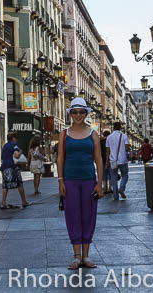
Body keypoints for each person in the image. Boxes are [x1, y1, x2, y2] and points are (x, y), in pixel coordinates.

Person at [57, 97, 105, 270]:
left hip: (89, 181)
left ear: (86, 114)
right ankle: (76, 256)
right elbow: (60, 158)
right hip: (70, 181)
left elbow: (99, 159)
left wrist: (100, 183)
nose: (78, 115)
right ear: (71, 114)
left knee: (89, 216)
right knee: (72, 216)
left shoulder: (93, 134)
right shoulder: (64, 134)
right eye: (75, 112)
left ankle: (86, 255)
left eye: (81, 112)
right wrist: (60, 180)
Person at [0, 133, 30, 209]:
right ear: (13, 138)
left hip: (4, 167)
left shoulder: (5, 146)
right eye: (16, 138)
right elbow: (16, 155)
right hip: (13, 167)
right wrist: (21, 152)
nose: (16, 139)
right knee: (19, 184)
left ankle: (3, 203)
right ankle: (24, 201)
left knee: (5, 185)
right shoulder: (14, 145)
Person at [105, 122, 130, 200]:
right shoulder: (124, 136)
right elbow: (126, 148)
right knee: (125, 175)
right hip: (122, 160)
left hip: (112, 160)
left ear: (113, 128)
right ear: (120, 128)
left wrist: (106, 162)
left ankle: (115, 195)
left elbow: (107, 151)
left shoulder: (109, 137)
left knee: (113, 177)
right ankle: (121, 189)